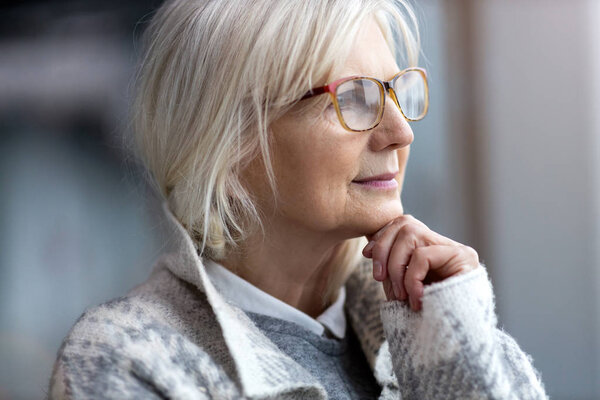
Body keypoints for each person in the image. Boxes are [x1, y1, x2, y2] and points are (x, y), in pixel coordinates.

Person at [48, 0, 549, 398]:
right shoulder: (129, 356)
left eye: (397, 91)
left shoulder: (436, 312)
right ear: (228, 140)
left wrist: (459, 342)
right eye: (354, 98)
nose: (400, 134)